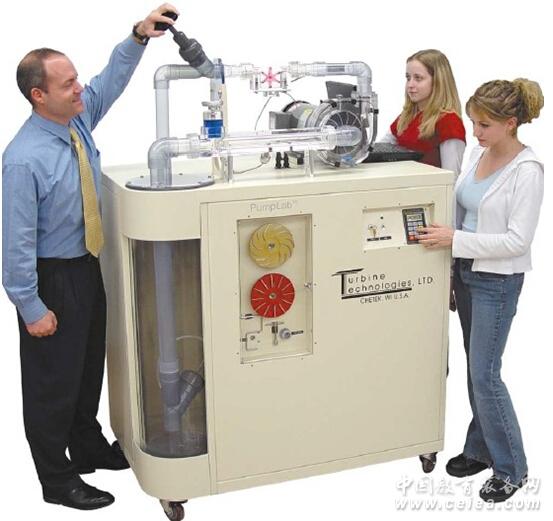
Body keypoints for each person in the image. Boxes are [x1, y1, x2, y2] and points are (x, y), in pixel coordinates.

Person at [2, 3, 179, 511]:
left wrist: (138, 37)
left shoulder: (75, 123)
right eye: (68, 84)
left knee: (85, 371)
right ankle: (57, 480)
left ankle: (86, 446)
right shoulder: (23, 159)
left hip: (86, 267)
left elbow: (108, 82)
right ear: (39, 96)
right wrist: (31, 307)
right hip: (51, 280)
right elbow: (15, 243)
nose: (80, 89)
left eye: (76, 79)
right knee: (51, 385)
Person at [417, 78, 544, 502]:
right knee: (476, 368)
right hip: (466, 272)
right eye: (473, 122)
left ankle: (512, 468)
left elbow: (517, 241)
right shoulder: (478, 154)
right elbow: (462, 212)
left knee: (486, 376)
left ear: (511, 123)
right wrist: (452, 268)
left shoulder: (527, 170)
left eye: (484, 125)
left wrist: (455, 240)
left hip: (497, 282)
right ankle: (480, 448)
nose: (475, 132)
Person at [383, 49, 466, 176]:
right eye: (408, 78)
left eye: (418, 78)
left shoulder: (449, 121)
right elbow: (382, 147)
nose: (410, 85)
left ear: (438, 81)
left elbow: (451, 177)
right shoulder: (407, 116)